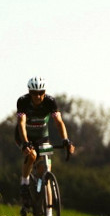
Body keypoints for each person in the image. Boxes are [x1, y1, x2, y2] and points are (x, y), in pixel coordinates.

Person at [15, 76, 75, 206]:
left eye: (41, 93)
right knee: (32, 155)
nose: (37, 96)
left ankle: (49, 214)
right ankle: (24, 184)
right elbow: (21, 123)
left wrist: (66, 140)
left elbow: (59, 122)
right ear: (29, 92)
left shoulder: (50, 102)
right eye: (34, 93)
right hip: (24, 135)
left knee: (45, 170)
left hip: (42, 136)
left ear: (45, 92)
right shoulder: (23, 101)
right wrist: (25, 143)